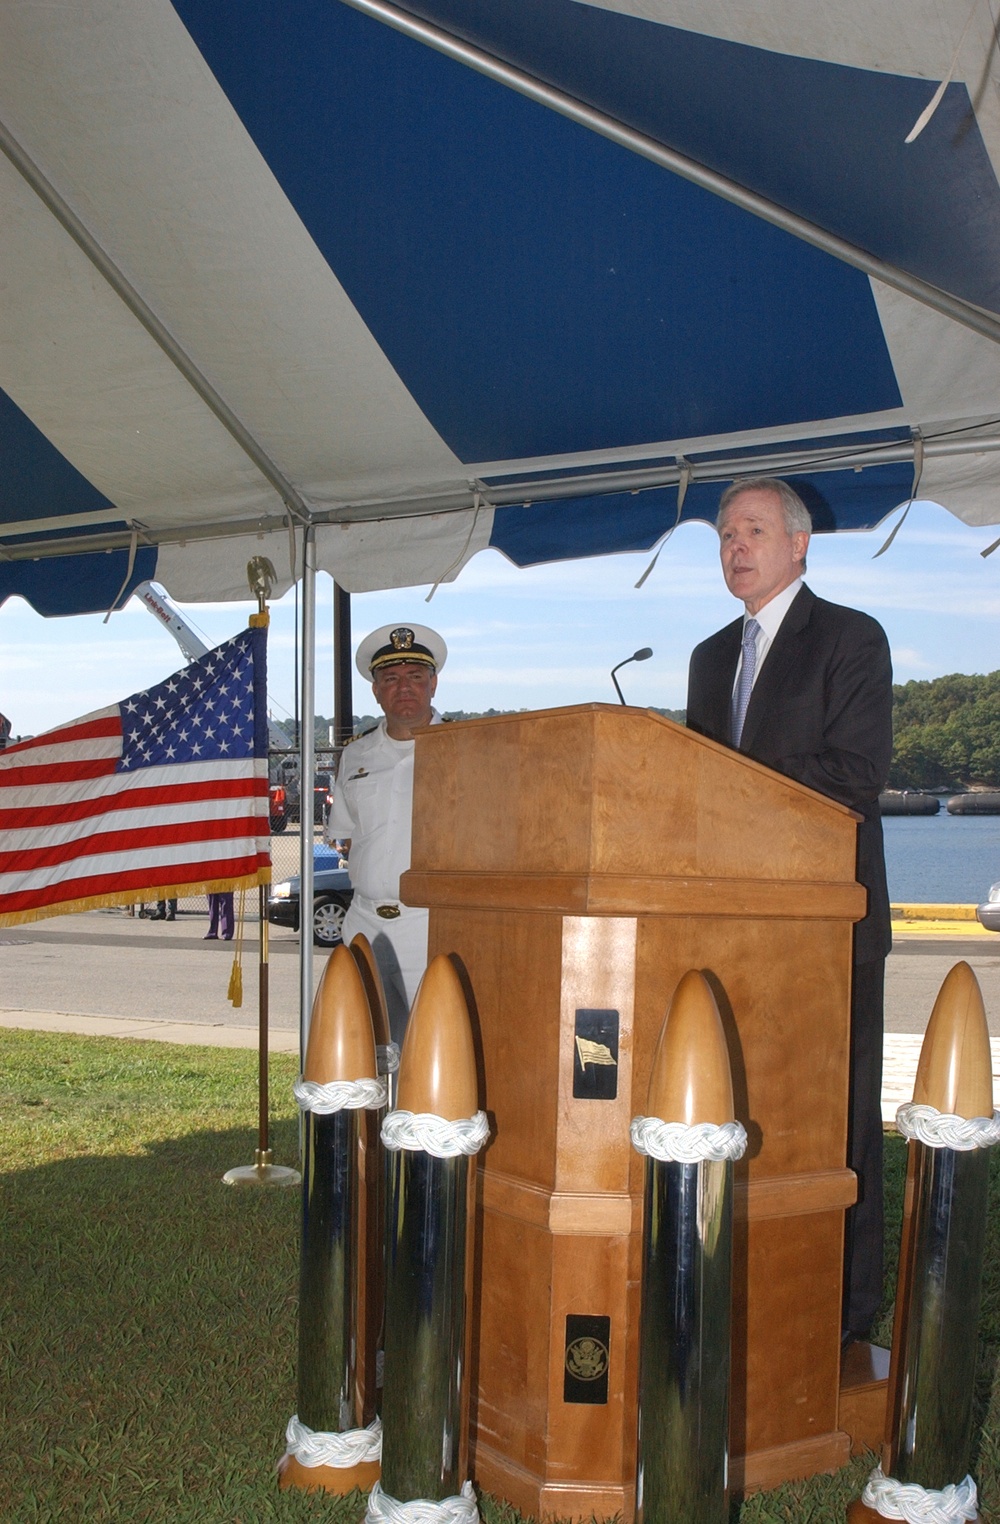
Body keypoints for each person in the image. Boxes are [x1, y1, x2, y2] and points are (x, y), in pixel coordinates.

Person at [686, 476, 892, 1348]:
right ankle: (753, 1286)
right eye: (726, 533)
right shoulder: (704, 658)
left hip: (827, 926)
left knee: (837, 1119)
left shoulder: (850, 638)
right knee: (748, 1110)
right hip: (731, 929)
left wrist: (730, 788)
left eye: (754, 531)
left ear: (799, 544)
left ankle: (846, 1312)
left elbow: (855, 776)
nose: (736, 546)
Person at [326, 623, 447, 1044]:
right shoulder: (355, 754)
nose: (404, 688)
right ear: (376, 691)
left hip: (431, 925)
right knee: (364, 1049)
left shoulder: (463, 749)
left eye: (416, 677)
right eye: (391, 679)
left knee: (433, 1049)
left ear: (433, 684)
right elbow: (345, 834)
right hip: (363, 920)